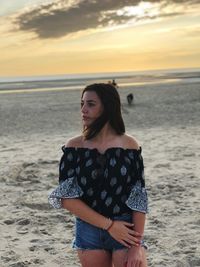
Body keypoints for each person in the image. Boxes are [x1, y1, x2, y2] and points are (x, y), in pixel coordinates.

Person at [49, 83, 149, 267]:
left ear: (107, 107)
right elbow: (67, 199)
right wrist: (110, 226)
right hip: (89, 230)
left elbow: (139, 198)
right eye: (82, 104)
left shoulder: (130, 146)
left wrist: (137, 245)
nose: (83, 110)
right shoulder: (74, 147)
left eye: (91, 104)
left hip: (127, 230)